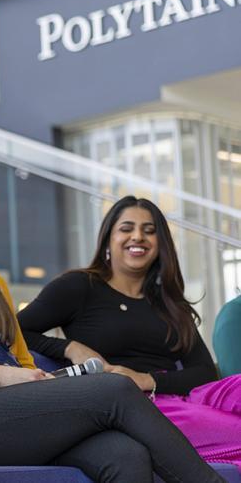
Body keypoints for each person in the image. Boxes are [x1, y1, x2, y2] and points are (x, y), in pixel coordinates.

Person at [0, 156, 221, 482]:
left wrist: (35, 379)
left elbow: (21, 360)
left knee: (125, 456)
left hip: (14, 411)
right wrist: (2, 376)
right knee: (114, 387)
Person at [19, 195, 241, 468]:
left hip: (177, 393)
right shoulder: (79, 286)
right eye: (126, 229)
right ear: (108, 239)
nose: (138, 237)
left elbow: (204, 372)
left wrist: (147, 379)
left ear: (161, 244)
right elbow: (15, 329)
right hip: (136, 407)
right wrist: (69, 348)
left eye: (149, 231)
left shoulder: (169, 302)